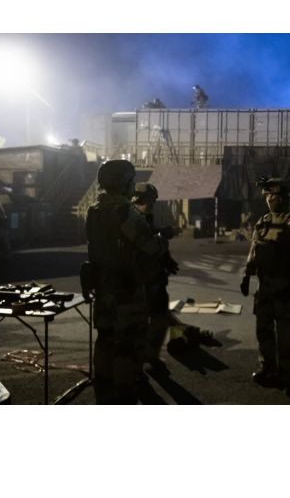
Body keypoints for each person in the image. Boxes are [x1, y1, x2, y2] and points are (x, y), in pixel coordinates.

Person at [85, 160, 168, 404]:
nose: (133, 185)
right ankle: (124, 394)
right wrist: (162, 239)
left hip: (103, 288)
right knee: (128, 344)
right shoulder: (126, 213)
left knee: (105, 339)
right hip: (127, 292)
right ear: (123, 183)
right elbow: (151, 247)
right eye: (131, 180)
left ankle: (104, 389)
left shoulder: (94, 211)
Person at [240, 177, 290, 391]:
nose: (269, 199)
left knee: (283, 335)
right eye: (267, 195)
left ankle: (286, 375)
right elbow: (254, 251)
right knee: (263, 331)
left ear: (284, 197)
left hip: (286, 286)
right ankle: (267, 368)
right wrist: (246, 275)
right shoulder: (263, 222)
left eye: (272, 195)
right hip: (265, 287)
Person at [131, 182, 179, 372]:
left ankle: (150, 355)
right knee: (140, 322)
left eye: (151, 201)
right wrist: (161, 236)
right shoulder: (132, 220)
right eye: (145, 201)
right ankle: (138, 363)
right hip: (140, 281)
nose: (149, 205)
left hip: (155, 279)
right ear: (136, 200)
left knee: (159, 319)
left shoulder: (145, 219)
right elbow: (145, 246)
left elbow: (155, 246)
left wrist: (167, 259)